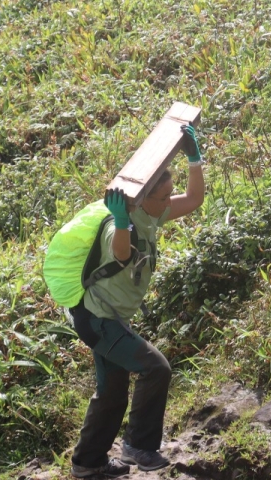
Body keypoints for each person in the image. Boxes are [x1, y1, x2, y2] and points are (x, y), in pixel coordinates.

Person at [68, 125, 206, 478]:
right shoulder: (119, 225)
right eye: (164, 196)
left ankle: (88, 463)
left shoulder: (152, 213)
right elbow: (120, 252)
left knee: (112, 393)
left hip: (109, 318)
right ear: (143, 198)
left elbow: (194, 199)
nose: (170, 201)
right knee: (155, 368)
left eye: (170, 194)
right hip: (97, 320)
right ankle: (138, 446)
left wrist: (194, 160)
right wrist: (120, 221)